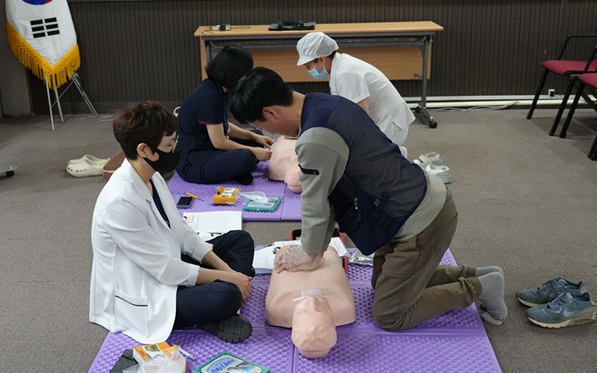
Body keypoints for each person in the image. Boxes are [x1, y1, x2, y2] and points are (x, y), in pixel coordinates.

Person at [229, 67, 508, 331]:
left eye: (263, 126)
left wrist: (309, 251)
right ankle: (478, 274)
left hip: (421, 221)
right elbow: (327, 195)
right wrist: (315, 248)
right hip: (410, 202)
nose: (271, 134)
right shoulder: (327, 102)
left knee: (390, 314)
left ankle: (480, 288)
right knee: (382, 285)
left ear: (270, 112)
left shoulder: (314, 139)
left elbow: (315, 202)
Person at [89, 101, 254, 345]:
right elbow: (164, 270)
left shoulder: (152, 177)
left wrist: (227, 272)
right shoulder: (119, 201)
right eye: (170, 144)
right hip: (146, 288)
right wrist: (228, 278)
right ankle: (215, 308)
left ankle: (213, 306)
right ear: (144, 150)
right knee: (227, 294)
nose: (177, 148)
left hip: (168, 262)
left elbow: (181, 232)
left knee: (240, 240)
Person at [296, 32, 415, 158]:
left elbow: (360, 116)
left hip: (390, 122)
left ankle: (397, 158)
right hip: (381, 117)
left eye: (308, 66)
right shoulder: (338, 66)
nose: (308, 71)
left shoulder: (345, 73)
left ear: (321, 59)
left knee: (362, 158)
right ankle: (396, 156)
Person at [175, 44, 273, 185]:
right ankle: (236, 170)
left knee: (255, 138)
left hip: (210, 148)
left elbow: (223, 126)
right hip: (194, 162)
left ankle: (235, 170)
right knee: (247, 156)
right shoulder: (209, 96)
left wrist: (254, 137)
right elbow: (219, 142)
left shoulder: (218, 89)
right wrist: (253, 151)